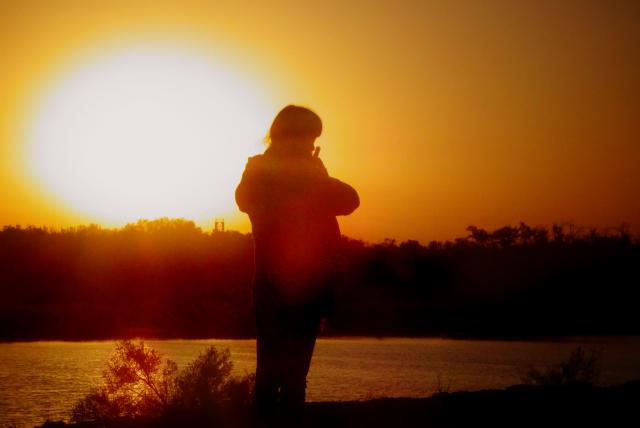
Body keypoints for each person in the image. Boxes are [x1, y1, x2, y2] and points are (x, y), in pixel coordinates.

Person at [235, 105, 359, 414]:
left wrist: (312, 178)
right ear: (286, 135)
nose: (310, 144)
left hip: (312, 286)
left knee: (295, 379)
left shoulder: (312, 170)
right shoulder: (259, 169)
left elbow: (350, 200)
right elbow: (246, 201)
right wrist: (304, 182)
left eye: (314, 138)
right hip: (273, 285)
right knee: (268, 378)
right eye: (307, 136)